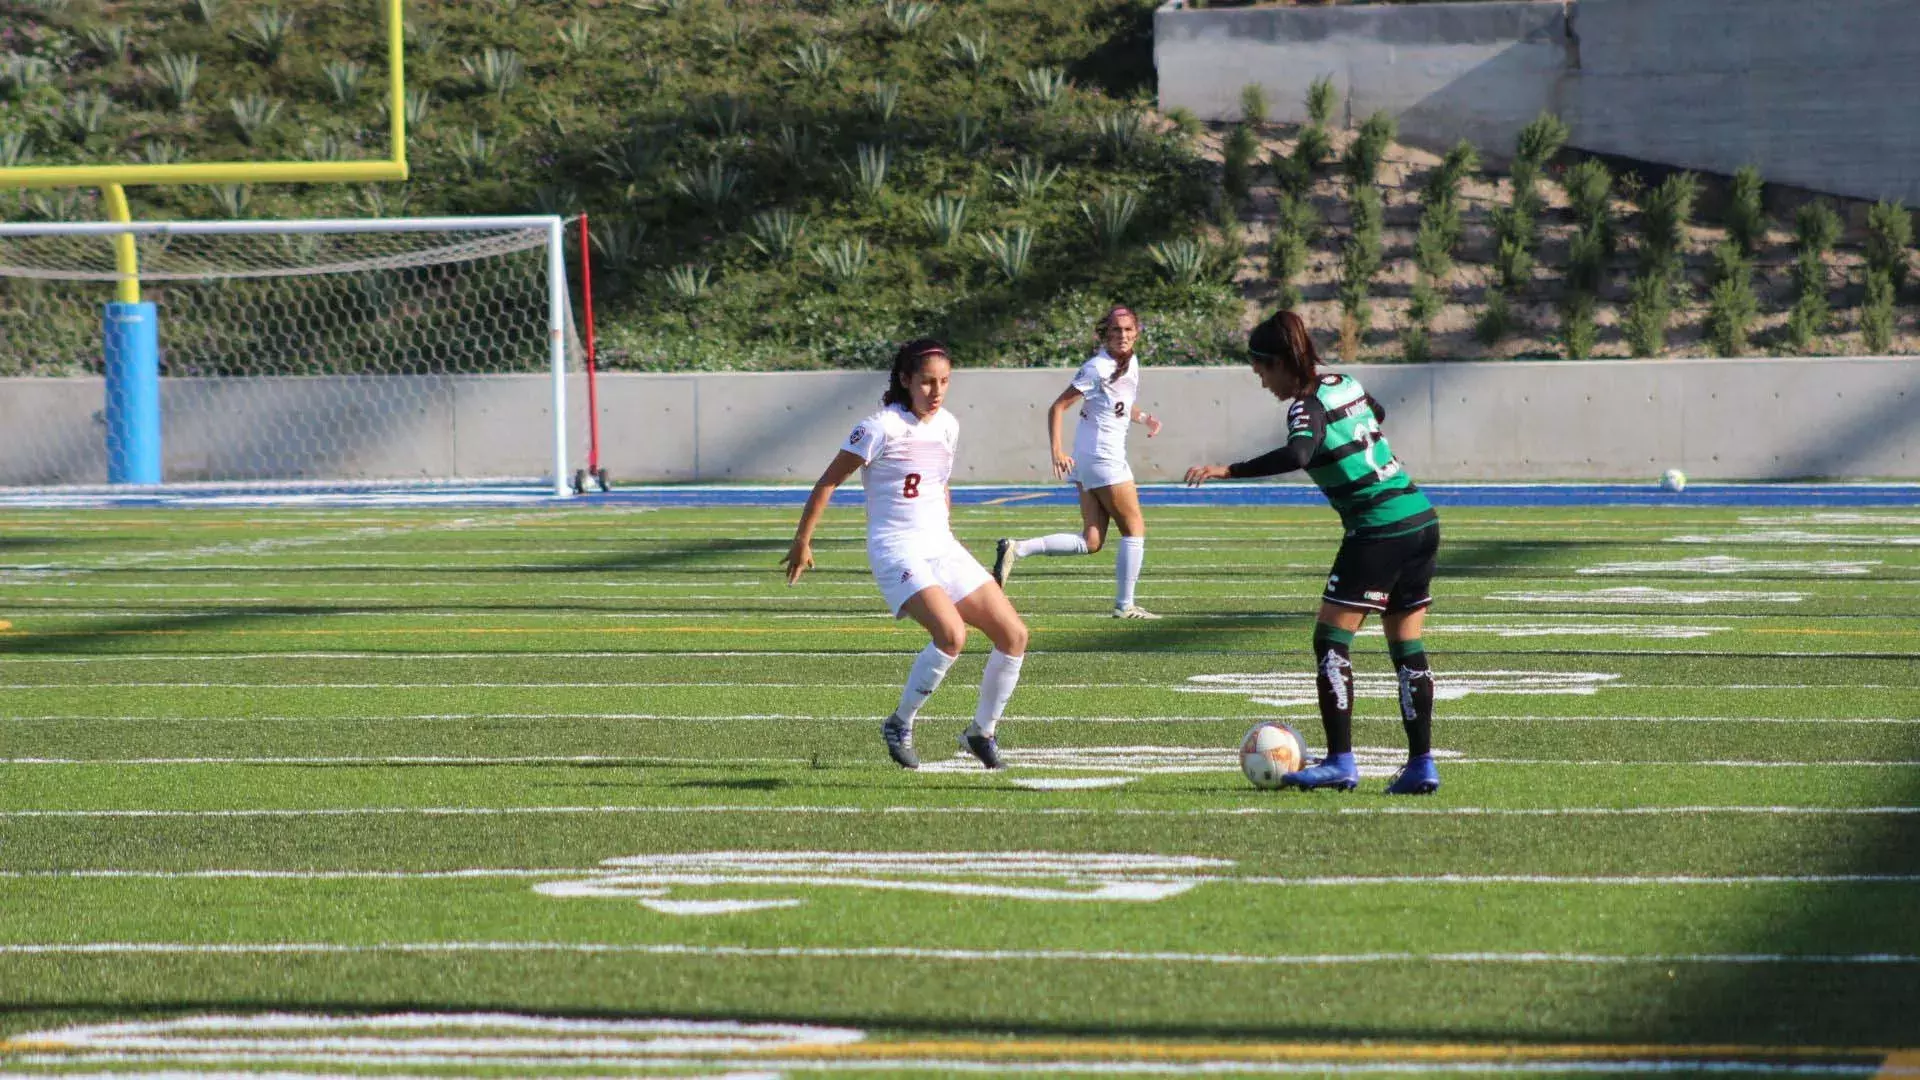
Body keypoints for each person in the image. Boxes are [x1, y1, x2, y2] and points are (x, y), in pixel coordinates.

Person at [1183, 310, 1441, 795]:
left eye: (1262, 370)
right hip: (1420, 519)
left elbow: (1300, 453)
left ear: (1281, 362)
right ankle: (1421, 764)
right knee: (1406, 646)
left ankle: (1342, 761)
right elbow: (1376, 415)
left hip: (1378, 528)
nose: (1262, 381)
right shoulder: (1345, 382)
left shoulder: (1304, 406)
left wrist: (1228, 470)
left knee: (1330, 642)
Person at [783, 339, 1029, 771]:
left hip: (941, 546)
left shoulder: (949, 425)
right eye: (927, 382)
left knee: (1014, 636)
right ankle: (900, 723)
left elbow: (939, 483)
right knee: (951, 636)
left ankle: (981, 732)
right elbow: (828, 482)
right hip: (897, 548)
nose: (936, 391)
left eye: (944, 382)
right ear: (905, 380)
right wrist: (803, 541)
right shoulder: (880, 426)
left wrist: (951, 543)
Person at [993, 305, 1163, 619]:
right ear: (1105, 334)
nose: (1122, 336)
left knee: (1092, 540)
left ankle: (1018, 548)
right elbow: (1057, 407)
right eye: (1115, 330)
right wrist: (1056, 451)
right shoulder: (1097, 366)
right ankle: (1125, 606)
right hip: (1103, 456)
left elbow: (1118, 405)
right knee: (1134, 528)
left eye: (1128, 330)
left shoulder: (1130, 362)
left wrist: (1143, 418)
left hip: (1091, 458)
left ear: (1137, 332)